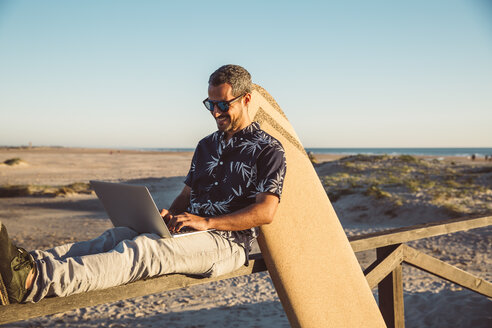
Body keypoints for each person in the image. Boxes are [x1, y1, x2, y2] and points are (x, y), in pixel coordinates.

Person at [0, 64, 286, 304]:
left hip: (226, 243)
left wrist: (207, 222)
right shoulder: (206, 145)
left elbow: (265, 212)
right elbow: (187, 194)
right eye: (210, 104)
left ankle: (33, 282)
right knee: (116, 237)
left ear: (247, 99)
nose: (215, 111)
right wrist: (169, 217)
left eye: (224, 104)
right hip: (187, 231)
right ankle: (23, 264)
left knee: (145, 251)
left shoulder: (268, 149)